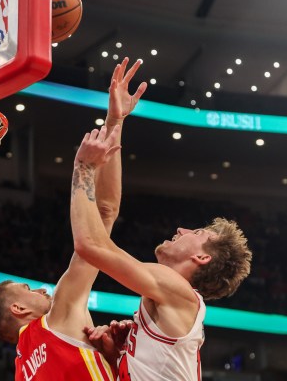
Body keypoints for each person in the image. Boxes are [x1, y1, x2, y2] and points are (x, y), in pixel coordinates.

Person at [0, 57, 147, 380]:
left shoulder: (22, 370)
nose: (40, 290)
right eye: (26, 288)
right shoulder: (58, 314)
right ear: (19, 309)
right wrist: (115, 122)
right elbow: (106, 212)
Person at [70, 117, 253, 380]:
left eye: (197, 232)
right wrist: (115, 122)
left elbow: (90, 244)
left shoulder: (178, 290)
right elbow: (105, 212)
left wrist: (84, 168)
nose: (182, 230)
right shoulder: (172, 301)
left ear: (201, 257)